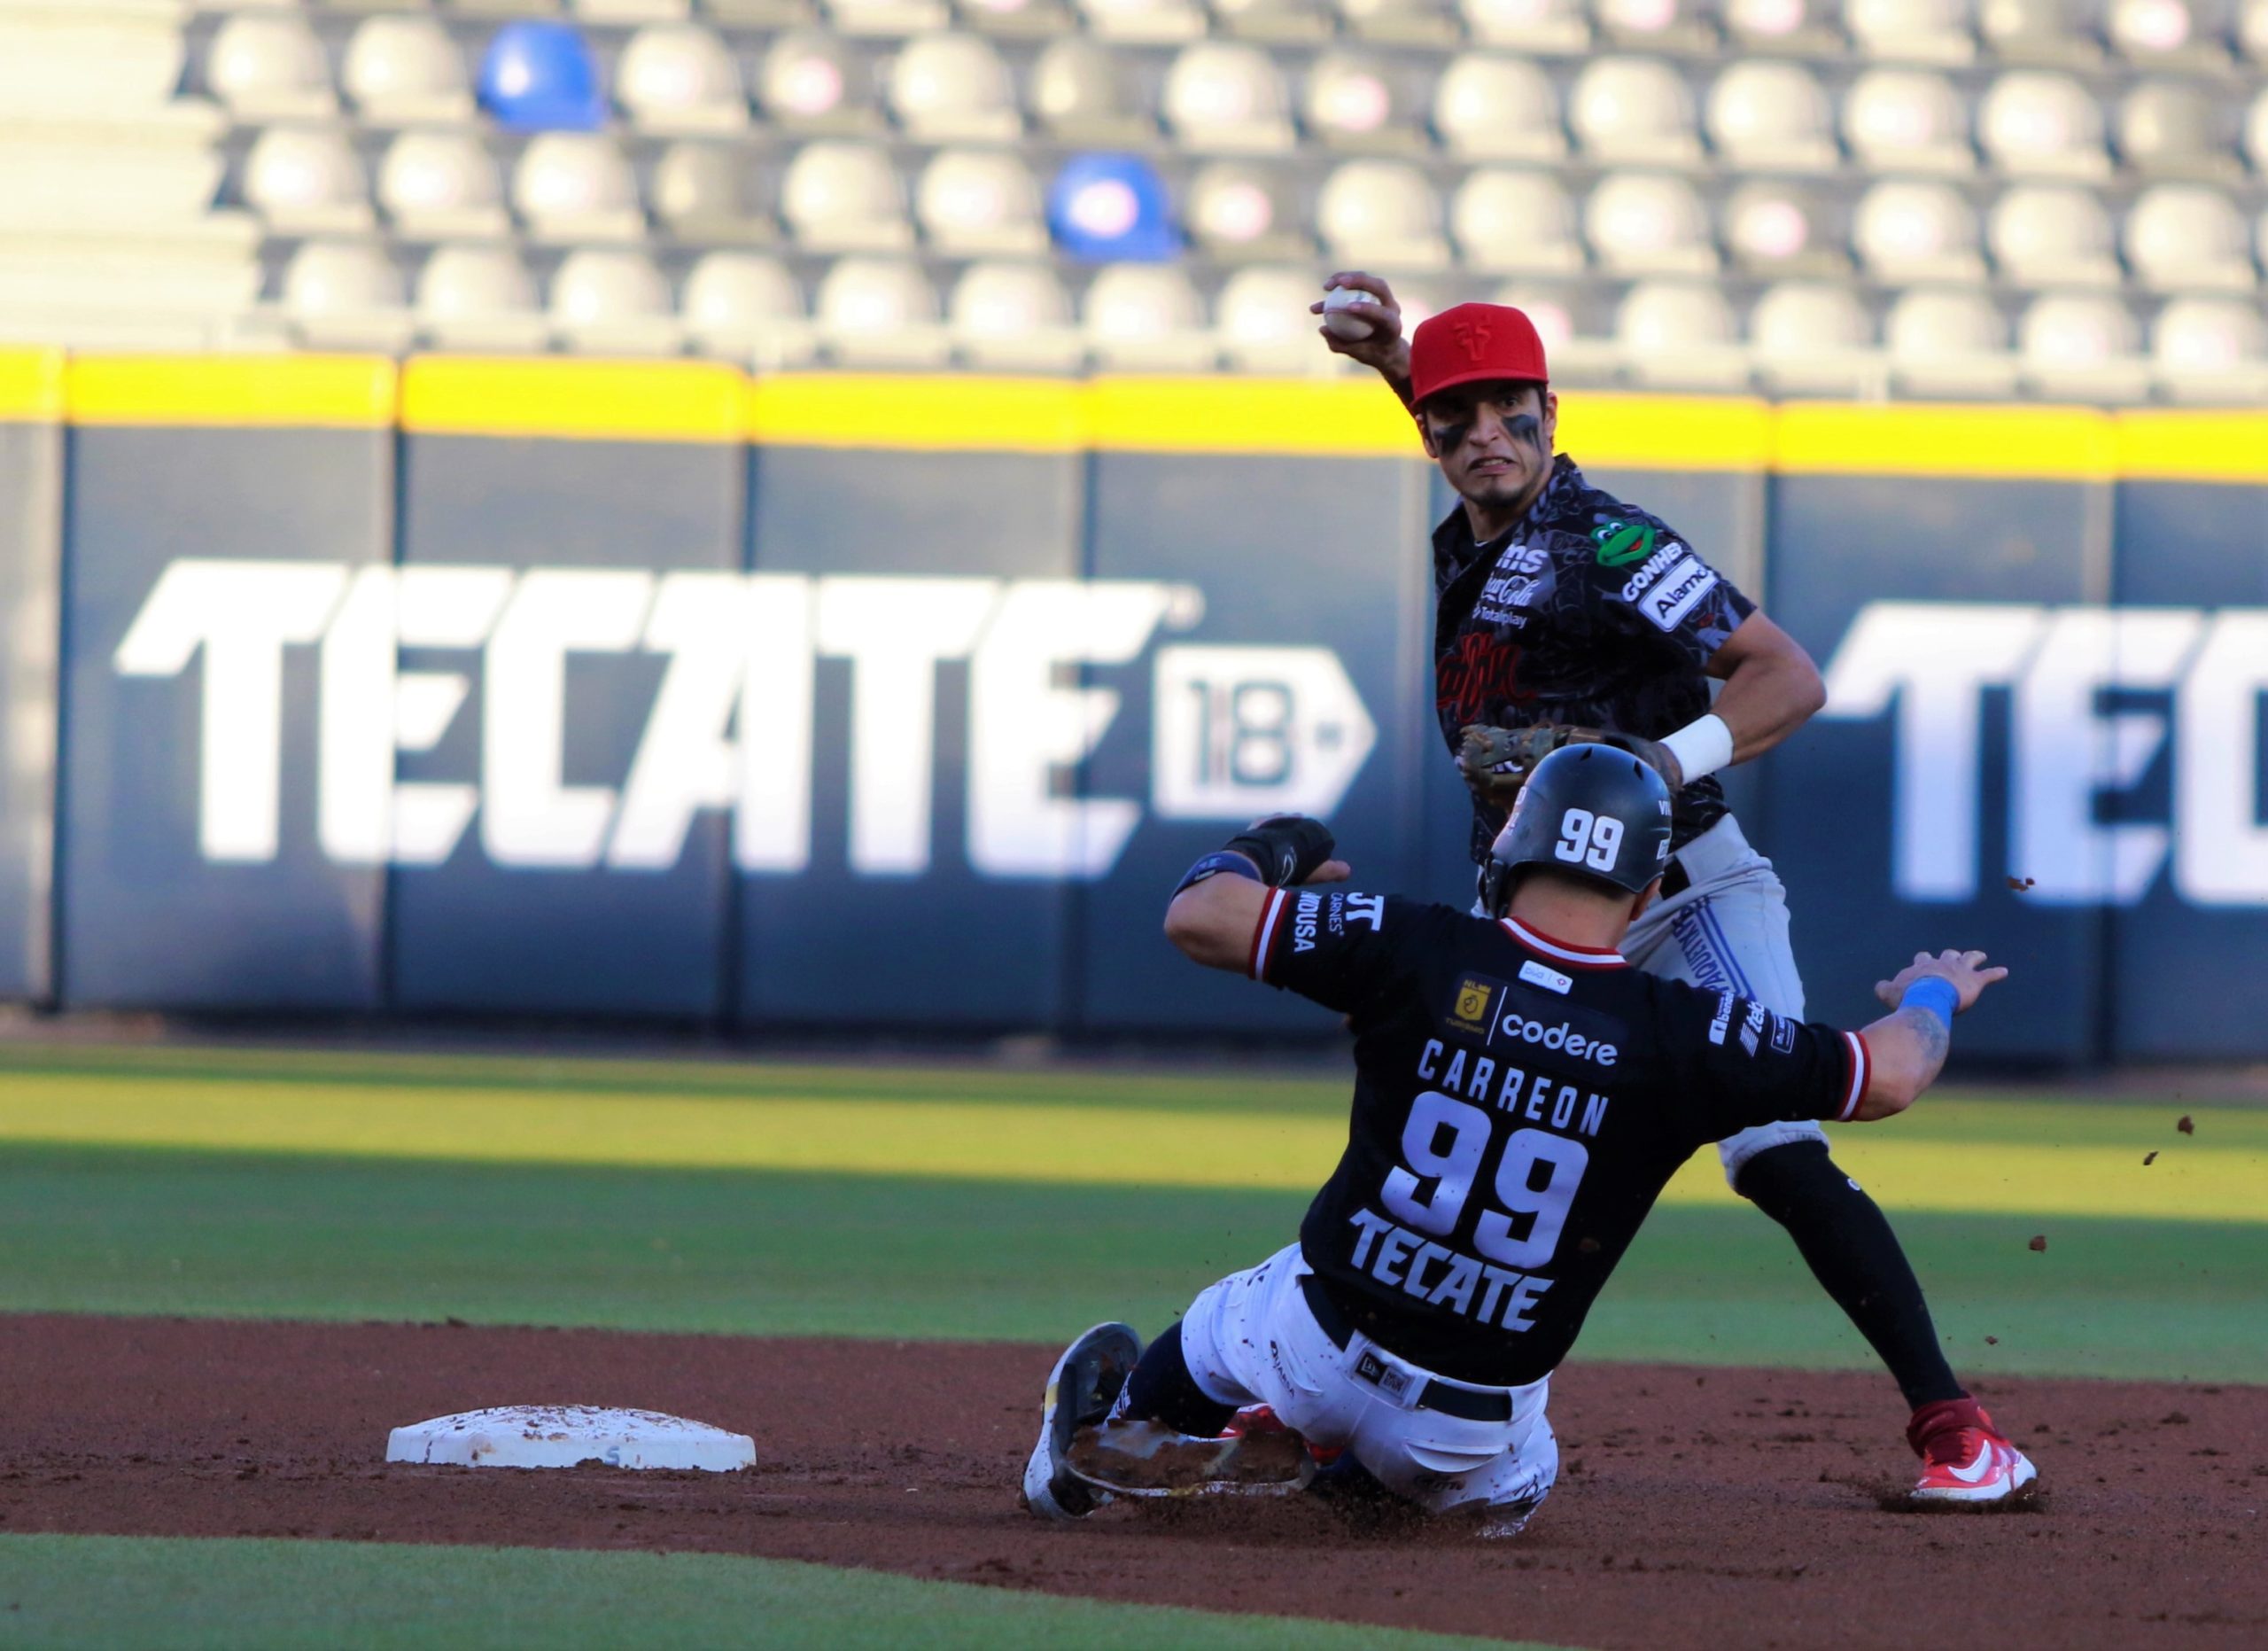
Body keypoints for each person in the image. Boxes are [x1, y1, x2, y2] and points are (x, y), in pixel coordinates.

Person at [1300, 275, 2023, 1497]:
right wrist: (1399, 364)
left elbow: (1786, 676)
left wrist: (1659, 756)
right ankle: (1367, 1417)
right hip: (1535, 909)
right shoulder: (1485, 525)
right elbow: (1470, 438)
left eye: (1511, 408)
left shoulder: (1609, 541)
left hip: (1684, 892)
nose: (1486, 431)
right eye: (1454, 413)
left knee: (1775, 1145)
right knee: (1461, 1164)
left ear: (1552, 406)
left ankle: (1959, 1428)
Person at [1021, 752, 2033, 1537]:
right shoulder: (1688, 1033)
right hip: (1465, 1433)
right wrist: (1935, 989)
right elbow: (1892, 1070)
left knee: (1233, 1312)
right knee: (1521, 1486)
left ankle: (1091, 1466)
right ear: (1645, 896)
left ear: (1507, 854)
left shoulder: (1414, 946)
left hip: (1312, 1348)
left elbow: (1201, 915)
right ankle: (1355, 1483)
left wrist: (1267, 848)